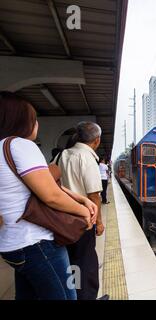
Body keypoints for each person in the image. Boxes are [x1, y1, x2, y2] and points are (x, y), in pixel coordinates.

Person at [0, 92, 97, 300]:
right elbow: (50, 194)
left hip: (10, 243)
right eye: (34, 119)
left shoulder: (2, 147)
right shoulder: (21, 145)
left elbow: (39, 184)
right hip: (36, 242)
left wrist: (81, 199)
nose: (37, 125)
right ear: (22, 121)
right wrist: (84, 211)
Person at [58, 121, 106, 300]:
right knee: (86, 263)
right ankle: (87, 297)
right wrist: (99, 223)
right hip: (83, 221)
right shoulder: (86, 158)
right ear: (97, 140)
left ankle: (75, 295)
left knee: (72, 261)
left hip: (62, 219)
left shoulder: (62, 155)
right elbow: (94, 196)